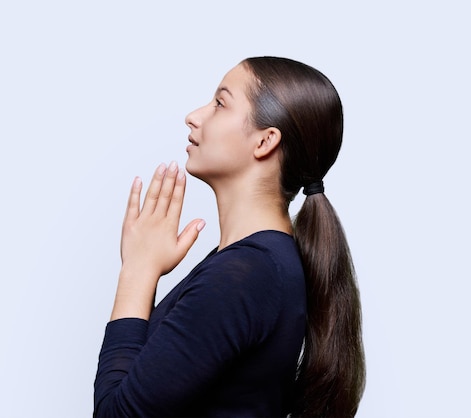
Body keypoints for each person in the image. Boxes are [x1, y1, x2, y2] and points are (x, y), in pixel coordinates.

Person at [93, 56, 365, 417]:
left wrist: (138, 272)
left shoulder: (246, 274)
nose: (194, 115)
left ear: (265, 141)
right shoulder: (256, 265)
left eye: (220, 103)